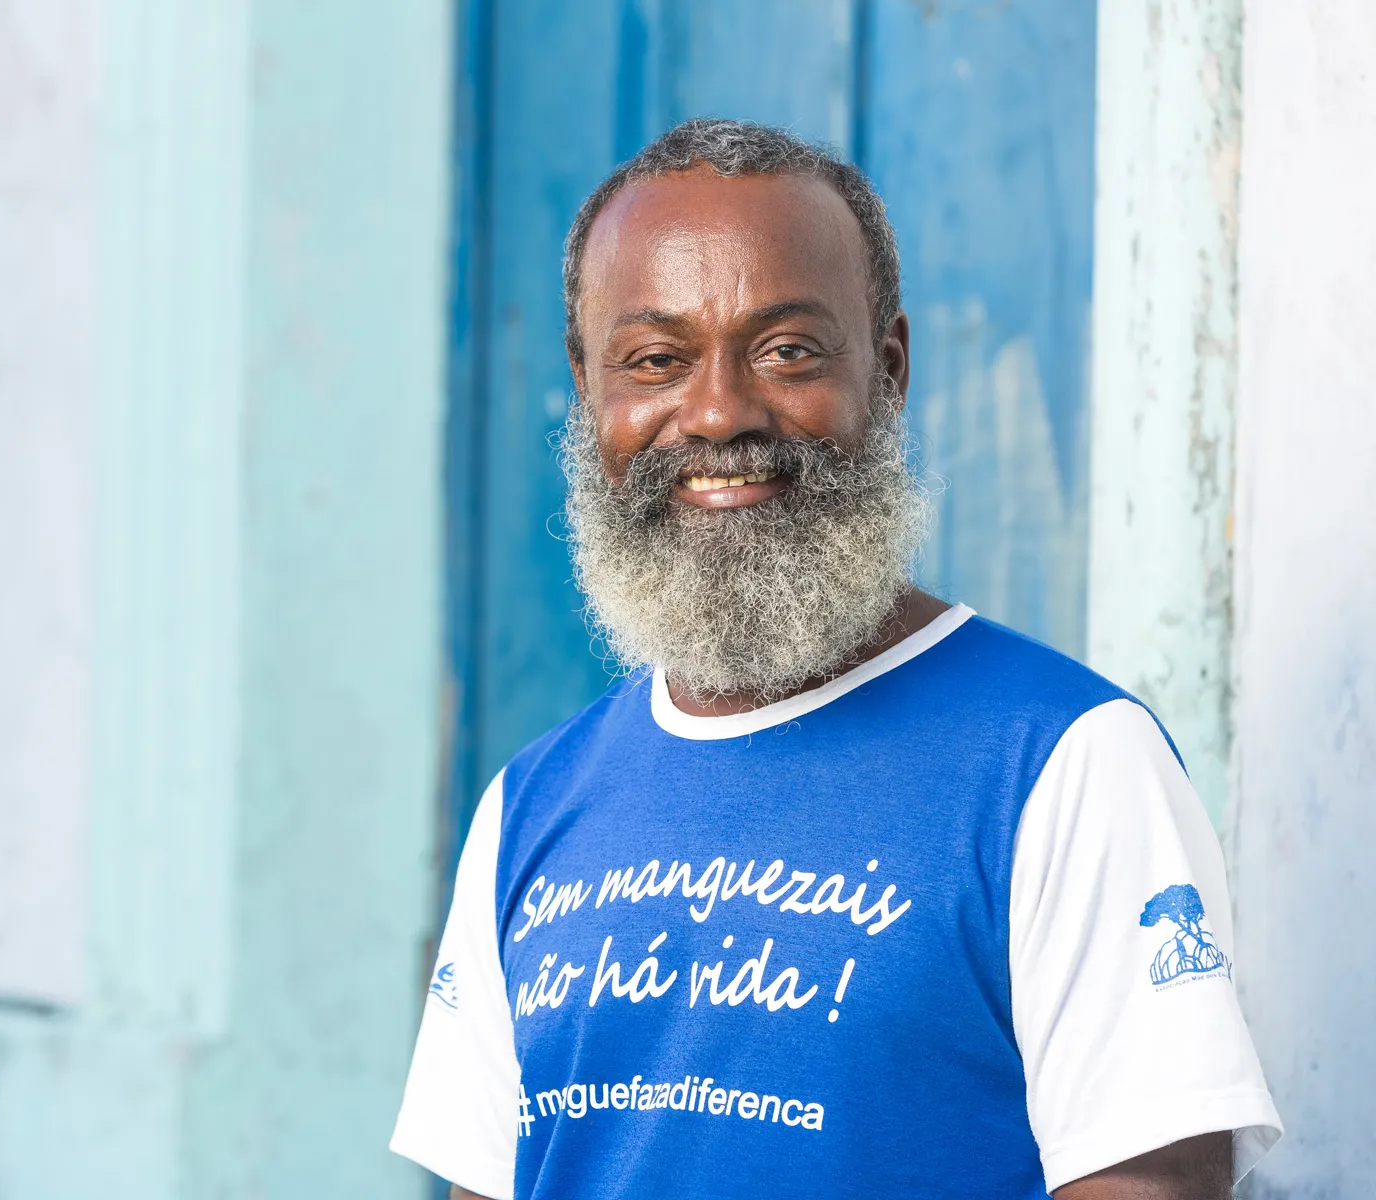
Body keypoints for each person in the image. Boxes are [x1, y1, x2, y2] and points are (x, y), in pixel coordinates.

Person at [389, 119, 1280, 1200]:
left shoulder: (1065, 765)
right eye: (657, 360)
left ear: (888, 369)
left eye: (787, 352)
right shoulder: (530, 805)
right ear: (590, 389)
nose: (717, 413)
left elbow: (1155, 1184)